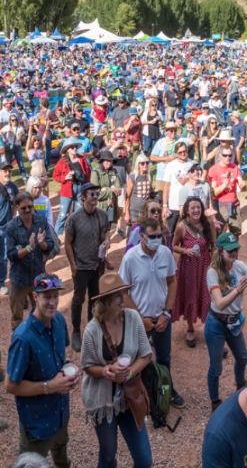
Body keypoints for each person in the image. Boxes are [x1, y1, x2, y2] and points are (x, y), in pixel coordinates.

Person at [78, 273, 153, 468]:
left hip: (129, 398)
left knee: (145, 460)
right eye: (117, 295)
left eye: (124, 292)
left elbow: (146, 354)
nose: (124, 298)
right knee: (108, 454)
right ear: (105, 300)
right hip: (102, 402)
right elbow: (86, 365)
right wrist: (106, 371)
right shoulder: (92, 330)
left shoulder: (133, 318)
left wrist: (128, 374)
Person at [5, 275, 74, 468]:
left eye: (55, 296)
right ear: (35, 297)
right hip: (37, 424)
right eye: (46, 297)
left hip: (60, 411)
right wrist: (49, 386)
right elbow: (10, 385)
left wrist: (69, 370)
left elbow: (62, 357)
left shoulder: (59, 320)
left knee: (61, 449)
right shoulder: (23, 338)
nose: (52, 302)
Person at [118, 219, 182, 410]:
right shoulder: (130, 258)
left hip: (162, 318)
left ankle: (166, 390)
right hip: (139, 322)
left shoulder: (165, 254)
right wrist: (140, 318)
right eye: (152, 237)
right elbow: (123, 292)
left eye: (159, 236)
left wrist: (167, 313)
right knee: (138, 361)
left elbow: (172, 282)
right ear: (143, 237)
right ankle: (139, 398)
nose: (157, 240)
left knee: (164, 358)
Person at [205, 232, 247, 410]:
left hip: (234, 322)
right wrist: (237, 291)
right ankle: (215, 402)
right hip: (216, 323)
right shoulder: (212, 272)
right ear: (220, 251)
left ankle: (240, 386)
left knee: (243, 358)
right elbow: (220, 303)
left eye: (235, 249)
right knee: (216, 368)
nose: (233, 253)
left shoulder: (240, 266)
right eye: (230, 250)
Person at [63, 183, 113, 338]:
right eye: (91, 194)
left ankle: (92, 329)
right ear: (83, 197)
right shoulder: (74, 219)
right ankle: (76, 330)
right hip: (80, 267)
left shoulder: (102, 215)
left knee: (95, 298)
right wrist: (72, 265)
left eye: (96, 194)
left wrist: (106, 240)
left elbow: (106, 231)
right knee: (78, 299)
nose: (95, 197)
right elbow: (67, 243)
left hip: (97, 265)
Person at [5, 187, 58, 327]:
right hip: (19, 279)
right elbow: (11, 254)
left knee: (42, 314)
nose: (28, 210)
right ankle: (19, 345)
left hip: (38, 277)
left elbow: (51, 245)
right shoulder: (11, 227)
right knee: (17, 317)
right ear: (17, 208)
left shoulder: (41, 221)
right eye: (23, 208)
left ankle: (40, 344)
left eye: (30, 206)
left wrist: (42, 244)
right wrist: (28, 248)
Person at [172, 197, 216, 350]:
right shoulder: (181, 227)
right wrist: (185, 250)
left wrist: (215, 264)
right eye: (193, 208)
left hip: (205, 265)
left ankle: (211, 329)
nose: (196, 210)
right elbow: (174, 246)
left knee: (208, 296)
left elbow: (213, 243)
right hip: (187, 267)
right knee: (190, 295)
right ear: (187, 210)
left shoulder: (208, 223)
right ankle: (190, 327)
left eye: (198, 207)